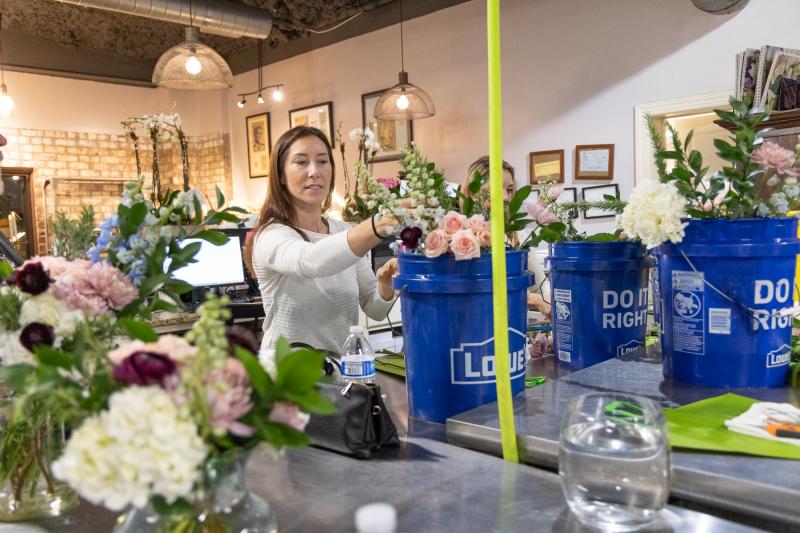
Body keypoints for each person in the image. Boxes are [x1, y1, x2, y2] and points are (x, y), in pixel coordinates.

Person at [244, 126, 398, 357]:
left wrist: (385, 286)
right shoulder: (270, 235)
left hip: (340, 369)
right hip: (287, 371)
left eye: (323, 161)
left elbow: (375, 310)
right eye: (301, 162)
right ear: (281, 175)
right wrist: (380, 224)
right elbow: (310, 261)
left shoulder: (343, 231)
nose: (314, 172)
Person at [461, 156, 551, 317]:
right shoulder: (459, 238)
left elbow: (540, 285)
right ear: (472, 192)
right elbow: (480, 289)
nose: (505, 197)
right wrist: (534, 300)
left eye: (509, 190)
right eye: (495, 189)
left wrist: (551, 301)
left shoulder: (517, 233)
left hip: (515, 327)